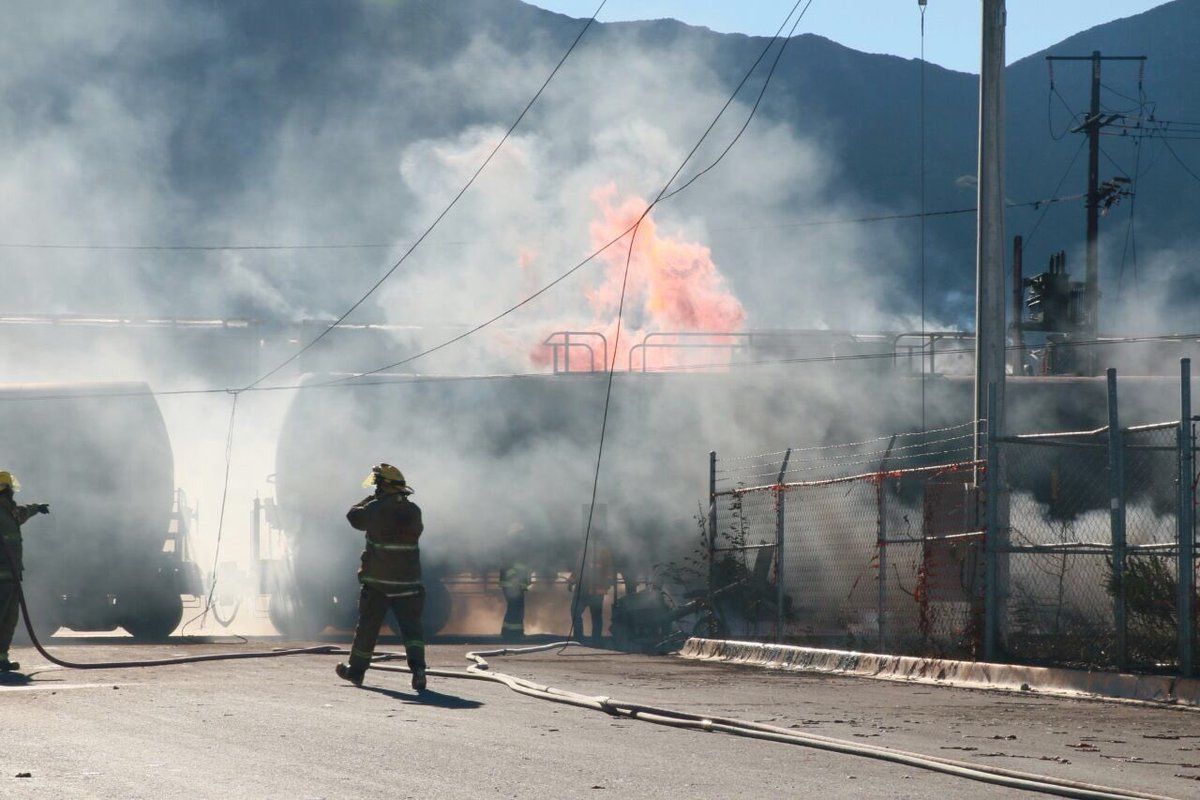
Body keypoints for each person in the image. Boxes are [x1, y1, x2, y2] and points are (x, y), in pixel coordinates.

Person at [334, 464, 426, 691]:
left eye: (377, 485)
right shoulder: (414, 511)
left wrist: (368, 500)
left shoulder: (374, 509)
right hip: (408, 583)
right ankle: (419, 670)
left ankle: (356, 672)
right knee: (412, 630)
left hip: (379, 583)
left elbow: (353, 517)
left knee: (368, 628)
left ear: (383, 486)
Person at [0, 471, 49, 673]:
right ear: (5, 489)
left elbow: (21, 513)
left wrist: (36, 508)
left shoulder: (9, 510)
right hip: (2, 576)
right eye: (11, 488)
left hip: (12, 577)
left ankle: (2, 658)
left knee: (9, 620)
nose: (13, 492)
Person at [570, 542, 614, 645]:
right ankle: (579, 638)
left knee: (596, 616)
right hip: (582, 590)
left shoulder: (604, 551)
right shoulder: (584, 550)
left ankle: (596, 640)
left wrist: (605, 585)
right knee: (575, 612)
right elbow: (578, 568)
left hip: (596, 590)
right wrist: (571, 580)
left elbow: (609, 572)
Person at [498, 559, 532, 642]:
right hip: (513, 586)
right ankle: (514, 634)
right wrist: (514, 579)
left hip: (516, 586)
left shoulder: (519, 553)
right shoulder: (516, 553)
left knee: (515, 609)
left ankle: (509, 632)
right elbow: (507, 566)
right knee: (515, 609)